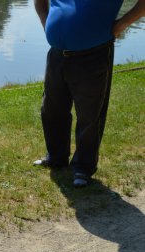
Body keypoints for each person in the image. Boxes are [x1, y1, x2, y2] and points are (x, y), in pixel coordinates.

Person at [33, 0, 145, 187]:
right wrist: (46, 23)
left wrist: (122, 24)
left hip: (93, 55)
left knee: (90, 115)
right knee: (51, 109)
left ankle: (83, 168)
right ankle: (56, 157)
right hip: (57, 54)